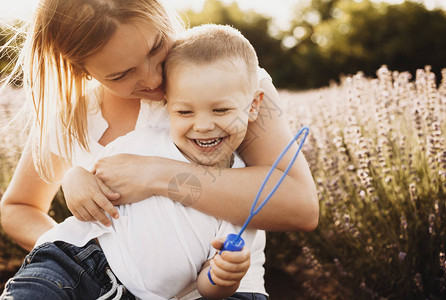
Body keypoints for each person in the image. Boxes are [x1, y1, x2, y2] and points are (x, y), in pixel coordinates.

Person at [0, 0, 318, 297]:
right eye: (121, 74)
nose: (154, 79)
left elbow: (299, 205)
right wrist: (96, 252)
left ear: (162, 14)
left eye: (155, 48)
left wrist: (157, 175)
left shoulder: (228, 80)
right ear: (82, 70)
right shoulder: (73, 117)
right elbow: (18, 208)